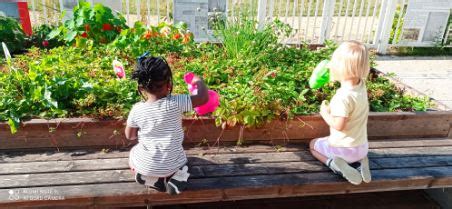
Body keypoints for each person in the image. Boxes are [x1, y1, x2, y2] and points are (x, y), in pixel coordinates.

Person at [125, 55, 209, 194]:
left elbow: (130, 136)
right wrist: (198, 80)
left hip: (146, 165)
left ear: (141, 87)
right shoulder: (176, 103)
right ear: (169, 84)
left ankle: (148, 176)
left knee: (134, 152)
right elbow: (203, 98)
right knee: (183, 161)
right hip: (172, 165)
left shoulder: (137, 109)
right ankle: (179, 177)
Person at [309, 41, 372, 185]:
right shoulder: (361, 87)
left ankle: (334, 164)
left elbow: (339, 126)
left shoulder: (342, 97)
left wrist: (325, 113)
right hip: (362, 147)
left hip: (344, 151)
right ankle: (361, 162)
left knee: (313, 144)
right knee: (330, 139)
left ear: (341, 68)